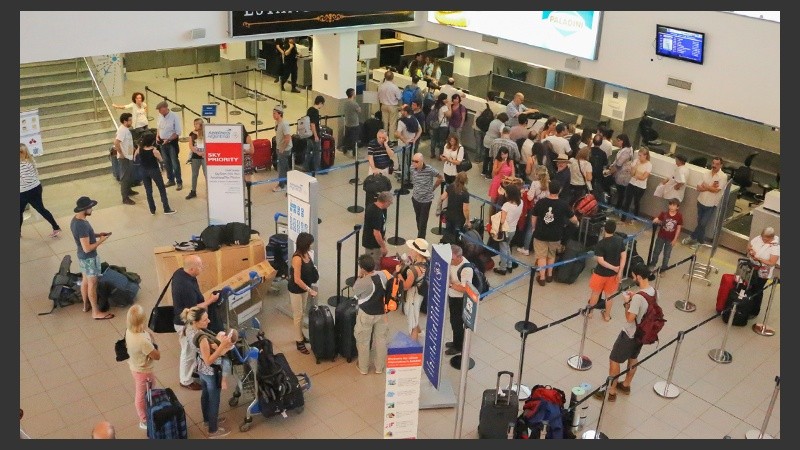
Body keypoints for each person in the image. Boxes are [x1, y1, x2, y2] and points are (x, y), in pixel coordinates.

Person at [593, 263, 657, 402]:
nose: (633, 278)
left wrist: (627, 303)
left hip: (629, 334)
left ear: (638, 277)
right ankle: (626, 385)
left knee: (614, 360)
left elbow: (629, 318)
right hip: (642, 334)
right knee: (633, 358)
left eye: (633, 276)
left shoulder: (639, 298)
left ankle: (611, 392)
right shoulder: (653, 291)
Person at [181, 306, 234, 438]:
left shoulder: (188, 329)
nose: (208, 321)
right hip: (211, 372)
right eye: (204, 320)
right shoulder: (202, 338)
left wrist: (213, 345)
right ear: (196, 322)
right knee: (213, 400)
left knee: (205, 395)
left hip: (201, 369)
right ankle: (213, 430)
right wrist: (221, 346)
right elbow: (209, 360)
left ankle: (208, 420)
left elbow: (201, 351)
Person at [172, 255, 221, 390]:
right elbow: (195, 308)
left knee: (190, 351)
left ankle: (191, 371)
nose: (202, 268)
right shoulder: (185, 287)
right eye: (200, 266)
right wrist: (210, 300)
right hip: (184, 324)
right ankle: (185, 380)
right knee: (188, 352)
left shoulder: (179, 273)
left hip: (184, 321)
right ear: (192, 269)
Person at [70, 196, 114, 320]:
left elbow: (83, 236)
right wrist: (101, 240)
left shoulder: (75, 220)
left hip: (81, 257)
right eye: (90, 207)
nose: (92, 209)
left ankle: (85, 306)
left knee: (85, 280)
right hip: (89, 258)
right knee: (92, 283)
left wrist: (97, 234)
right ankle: (96, 312)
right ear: (85, 209)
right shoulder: (82, 225)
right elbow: (87, 248)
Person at [531, 180, 579, 286]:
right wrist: (577, 222)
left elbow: (534, 216)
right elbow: (574, 219)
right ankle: (549, 275)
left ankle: (542, 277)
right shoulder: (564, 204)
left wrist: (533, 228)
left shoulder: (541, 202)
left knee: (541, 256)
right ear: (560, 190)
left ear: (549, 188)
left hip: (541, 233)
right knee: (551, 255)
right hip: (556, 234)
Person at [351, 254, 391, 375]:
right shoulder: (383, 275)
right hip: (382, 313)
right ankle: (379, 367)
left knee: (363, 341)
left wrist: (360, 277)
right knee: (381, 340)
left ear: (363, 268)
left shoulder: (363, 282)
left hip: (366, 314)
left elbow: (355, 291)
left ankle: (363, 367)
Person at [125, 304, 160, 431]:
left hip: (135, 366)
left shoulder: (129, 331)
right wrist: (153, 341)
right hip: (144, 371)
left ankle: (147, 411)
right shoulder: (142, 341)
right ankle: (144, 420)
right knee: (142, 394)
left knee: (145, 391)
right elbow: (157, 356)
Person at [586, 220, 626, 321]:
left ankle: (590, 313)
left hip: (600, 273)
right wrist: (619, 271)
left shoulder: (601, 243)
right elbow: (623, 256)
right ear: (614, 229)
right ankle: (607, 316)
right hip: (613, 275)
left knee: (595, 293)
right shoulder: (619, 240)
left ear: (604, 229)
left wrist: (613, 267)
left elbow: (600, 260)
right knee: (609, 296)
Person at [683, 156, 727, 246]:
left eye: (717, 164)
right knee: (700, 222)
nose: (714, 165)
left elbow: (717, 190)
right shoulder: (706, 173)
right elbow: (699, 187)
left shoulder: (723, 176)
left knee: (703, 224)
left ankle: (694, 238)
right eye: (713, 163)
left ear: (721, 165)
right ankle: (698, 240)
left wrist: (706, 186)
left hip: (711, 204)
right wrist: (709, 188)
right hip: (701, 201)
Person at [19, 143, 61, 238]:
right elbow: (35, 174)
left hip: (28, 191)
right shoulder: (30, 160)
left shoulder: (23, 164)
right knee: (39, 209)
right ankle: (56, 227)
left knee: (39, 209)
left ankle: (56, 227)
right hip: (35, 188)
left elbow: (26, 180)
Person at [287, 232, 318, 355]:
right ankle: (299, 341)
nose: (311, 245)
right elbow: (297, 280)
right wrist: (310, 290)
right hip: (296, 290)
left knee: (302, 312)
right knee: (298, 315)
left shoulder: (306, 254)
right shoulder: (297, 258)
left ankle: (300, 335)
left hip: (304, 288)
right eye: (310, 243)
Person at [133, 132, 177, 215]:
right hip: (154, 170)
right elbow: (161, 160)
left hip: (144, 171)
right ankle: (166, 208)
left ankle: (152, 209)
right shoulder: (154, 151)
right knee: (161, 189)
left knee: (148, 191)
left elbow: (135, 156)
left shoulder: (140, 148)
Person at [397, 238, 431, 342]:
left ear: (417, 252)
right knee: (414, 315)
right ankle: (420, 332)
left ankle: (413, 345)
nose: (410, 251)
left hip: (413, 295)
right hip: (420, 293)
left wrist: (398, 273)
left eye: (412, 249)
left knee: (412, 321)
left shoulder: (414, 270)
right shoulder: (426, 262)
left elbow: (406, 286)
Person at [445, 244, 473, 356]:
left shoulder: (466, 269)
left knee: (457, 323)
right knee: (453, 320)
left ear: (460, 257)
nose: (450, 261)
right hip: (452, 296)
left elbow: (465, 289)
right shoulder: (452, 261)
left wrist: (450, 284)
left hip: (459, 299)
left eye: (452, 259)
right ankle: (455, 341)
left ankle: (458, 346)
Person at [746, 227, 780, 319]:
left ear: (771, 238)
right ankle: (745, 305)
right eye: (763, 237)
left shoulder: (775, 247)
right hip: (752, 266)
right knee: (748, 286)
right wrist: (751, 251)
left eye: (765, 238)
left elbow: (772, 262)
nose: (763, 239)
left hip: (763, 271)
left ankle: (754, 311)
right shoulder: (759, 238)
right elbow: (749, 245)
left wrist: (759, 259)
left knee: (757, 290)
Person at [410, 153, 443, 239]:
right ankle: (420, 235)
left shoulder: (429, 169)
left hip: (426, 200)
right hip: (416, 198)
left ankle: (420, 239)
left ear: (422, 162)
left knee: (423, 222)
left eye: (416, 161)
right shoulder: (412, 168)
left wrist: (433, 188)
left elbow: (440, 177)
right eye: (413, 161)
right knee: (418, 218)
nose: (414, 163)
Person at [518, 165, 549, 256]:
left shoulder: (535, 183)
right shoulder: (549, 183)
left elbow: (530, 197)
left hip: (535, 208)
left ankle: (526, 248)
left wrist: (525, 192)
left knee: (530, 228)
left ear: (537, 174)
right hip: (544, 208)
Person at [494, 183, 523, 276]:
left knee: (503, 248)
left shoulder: (506, 205)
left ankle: (502, 268)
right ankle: (509, 264)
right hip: (513, 229)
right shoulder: (521, 203)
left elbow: (502, 220)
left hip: (505, 230)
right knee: (507, 247)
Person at [651, 199, 683, 276]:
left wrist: (675, 239)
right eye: (670, 205)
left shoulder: (679, 216)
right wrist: (656, 220)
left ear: (677, 207)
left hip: (670, 239)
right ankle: (652, 264)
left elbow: (678, 228)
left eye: (674, 205)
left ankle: (664, 269)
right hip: (661, 236)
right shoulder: (664, 214)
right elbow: (658, 220)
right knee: (656, 251)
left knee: (667, 254)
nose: (672, 207)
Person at [155, 100, 183, 190]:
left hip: (171, 143)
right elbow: (158, 128)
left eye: (160, 109)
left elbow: (178, 132)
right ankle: (171, 180)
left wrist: (169, 139)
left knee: (175, 163)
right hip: (162, 143)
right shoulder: (159, 116)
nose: (159, 111)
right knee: (167, 163)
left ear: (165, 108)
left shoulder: (174, 116)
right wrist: (157, 136)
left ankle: (179, 181)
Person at [621, 147, 652, 222]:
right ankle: (623, 218)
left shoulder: (649, 165)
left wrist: (637, 176)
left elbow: (644, 177)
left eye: (641, 155)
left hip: (640, 186)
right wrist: (635, 166)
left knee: (636, 202)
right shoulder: (636, 161)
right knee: (627, 201)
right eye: (639, 155)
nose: (639, 157)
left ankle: (635, 218)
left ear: (645, 156)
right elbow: (632, 174)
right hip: (632, 183)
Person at [362, 191, 393, 262]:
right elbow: (376, 233)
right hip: (373, 245)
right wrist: (383, 247)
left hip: (370, 241)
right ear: (386, 201)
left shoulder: (372, 206)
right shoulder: (377, 214)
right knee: (374, 266)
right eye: (390, 203)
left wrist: (382, 234)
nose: (389, 205)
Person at [114, 112, 138, 205]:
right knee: (125, 177)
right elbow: (116, 142)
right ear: (125, 121)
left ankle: (129, 190)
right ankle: (125, 198)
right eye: (130, 120)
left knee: (129, 175)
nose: (131, 121)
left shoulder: (125, 129)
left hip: (129, 155)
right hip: (124, 158)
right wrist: (121, 153)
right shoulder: (122, 130)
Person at [440, 171, 471, 239]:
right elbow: (465, 209)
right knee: (456, 237)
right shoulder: (465, 193)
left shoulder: (451, 187)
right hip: (459, 219)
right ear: (465, 181)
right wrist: (468, 220)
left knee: (448, 233)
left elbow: (442, 197)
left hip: (449, 215)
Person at [396, 105, 422, 177]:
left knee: (403, 162)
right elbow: (420, 130)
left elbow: (398, 133)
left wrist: (404, 141)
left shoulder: (401, 121)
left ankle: (404, 178)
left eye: (402, 110)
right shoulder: (414, 119)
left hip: (402, 145)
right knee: (411, 161)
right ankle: (411, 177)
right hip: (411, 144)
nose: (401, 112)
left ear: (405, 112)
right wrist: (415, 139)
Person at [611, 134, 634, 212]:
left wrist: (611, 170)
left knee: (621, 193)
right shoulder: (625, 149)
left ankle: (618, 208)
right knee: (620, 193)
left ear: (623, 141)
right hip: (620, 173)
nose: (617, 142)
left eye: (618, 141)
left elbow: (619, 163)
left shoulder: (627, 151)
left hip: (623, 175)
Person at [272, 104, 292, 192]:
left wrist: (282, 148)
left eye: (274, 113)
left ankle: (281, 185)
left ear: (280, 114)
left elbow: (288, 138)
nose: (273, 115)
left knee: (281, 167)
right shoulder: (277, 123)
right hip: (280, 147)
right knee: (285, 166)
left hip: (284, 149)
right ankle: (288, 182)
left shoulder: (284, 124)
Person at [377, 70, 402, 140]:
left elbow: (378, 96)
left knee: (385, 123)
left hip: (383, 105)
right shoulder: (394, 87)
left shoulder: (381, 86)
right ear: (393, 77)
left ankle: (384, 138)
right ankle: (391, 139)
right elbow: (399, 97)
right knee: (392, 124)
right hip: (392, 106)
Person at [185, 118, 206, 200]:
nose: (195, 125)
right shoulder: (192, 134)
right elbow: (191, 145)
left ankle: (208, 191)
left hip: (204, 156)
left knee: (206, 174)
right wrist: (197, 152)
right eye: (194, 124)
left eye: (197, 123)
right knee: (194, 174)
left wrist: (204, 152)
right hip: (195, 157)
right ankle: (193, 191)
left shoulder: (206, 133)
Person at [483, 112, 508, 178]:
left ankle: (484, 171)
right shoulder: (502, 124)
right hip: (493, 142)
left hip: (487, 139)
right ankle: (489, 174)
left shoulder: (493, 121)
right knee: (493, 158)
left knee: (486, 157)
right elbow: (501, 134)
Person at [306, 95, 325, 173]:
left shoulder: (309, 109)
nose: (322, 106)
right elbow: (313, 124)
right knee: (316, 152)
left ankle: (306, 166)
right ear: (320, 103)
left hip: (308, 134)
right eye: (322, 104)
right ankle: (317, 168)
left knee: (308, 152)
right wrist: (316, 135)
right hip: (313, 135)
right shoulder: (315, 111)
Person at [428, 93, 450, 158]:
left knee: (433, 140)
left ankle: (432, 154)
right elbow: (449, 115)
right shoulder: (444, 107)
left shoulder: (434, 105)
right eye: (446, 98)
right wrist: (450, 107)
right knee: (442, 141)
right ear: (443, 100)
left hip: (434, 124)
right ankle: (440, 155)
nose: (447, 99)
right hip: (442, 125)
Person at [343, 87, 362, 156]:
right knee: (355, 139)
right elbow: (359, 111)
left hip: (347, 123)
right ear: (352, 94)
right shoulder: (354, 104)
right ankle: (355, 152)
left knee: (347, 137)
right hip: (354, 124)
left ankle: (345, 149)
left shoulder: (345, 103)